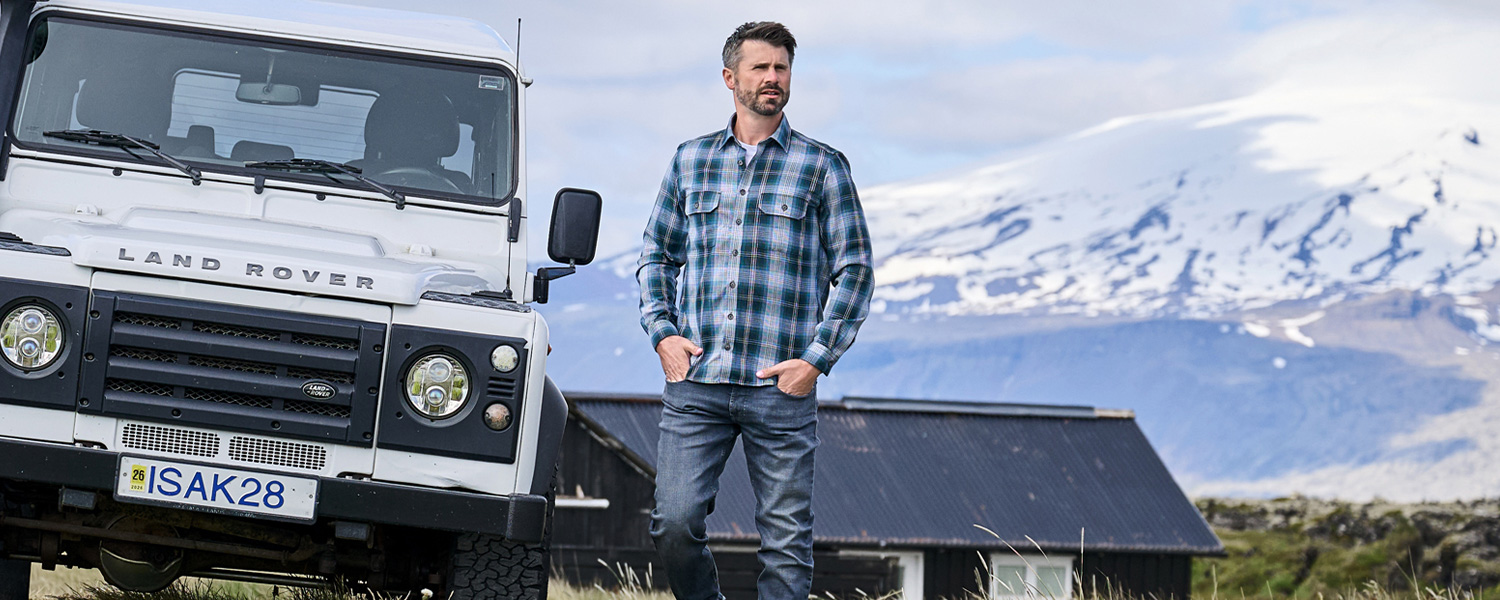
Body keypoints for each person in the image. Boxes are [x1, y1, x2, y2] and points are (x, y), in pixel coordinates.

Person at [636, 21, 874, 600]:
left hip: (781, 387)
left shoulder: (823, 167)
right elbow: (655, 256)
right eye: (760, 67)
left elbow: (856, 270)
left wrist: (815, 361)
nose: (773, 78)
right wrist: (663, 334)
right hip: (698, 381)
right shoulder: (689, 161)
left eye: (782, 68)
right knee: (673, 524)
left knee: (787, 543)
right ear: (730, 78)